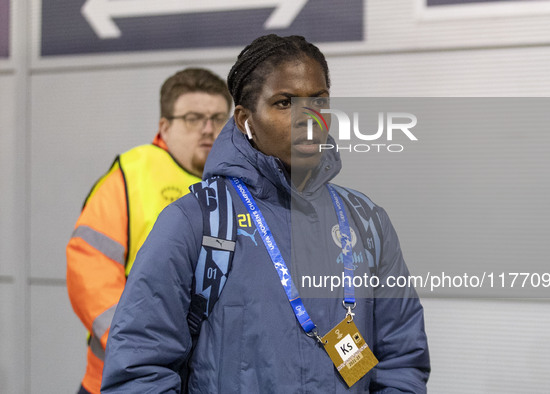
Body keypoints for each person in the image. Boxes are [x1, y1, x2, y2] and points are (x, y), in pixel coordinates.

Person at [102, 35, 430, 393]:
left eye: (319, 100)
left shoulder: (366, 221)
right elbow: (140, 370)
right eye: (284, 102)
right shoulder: (196, 221)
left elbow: (401, 361)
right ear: (246, 120)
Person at [66, 68, 232, 394]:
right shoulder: (132, 176)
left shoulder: (240, 187)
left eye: (217, 117)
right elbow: (89, 267)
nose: (208, 129)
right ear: (164, 126)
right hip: (123, 380)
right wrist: (136, 348)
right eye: (193, 118)